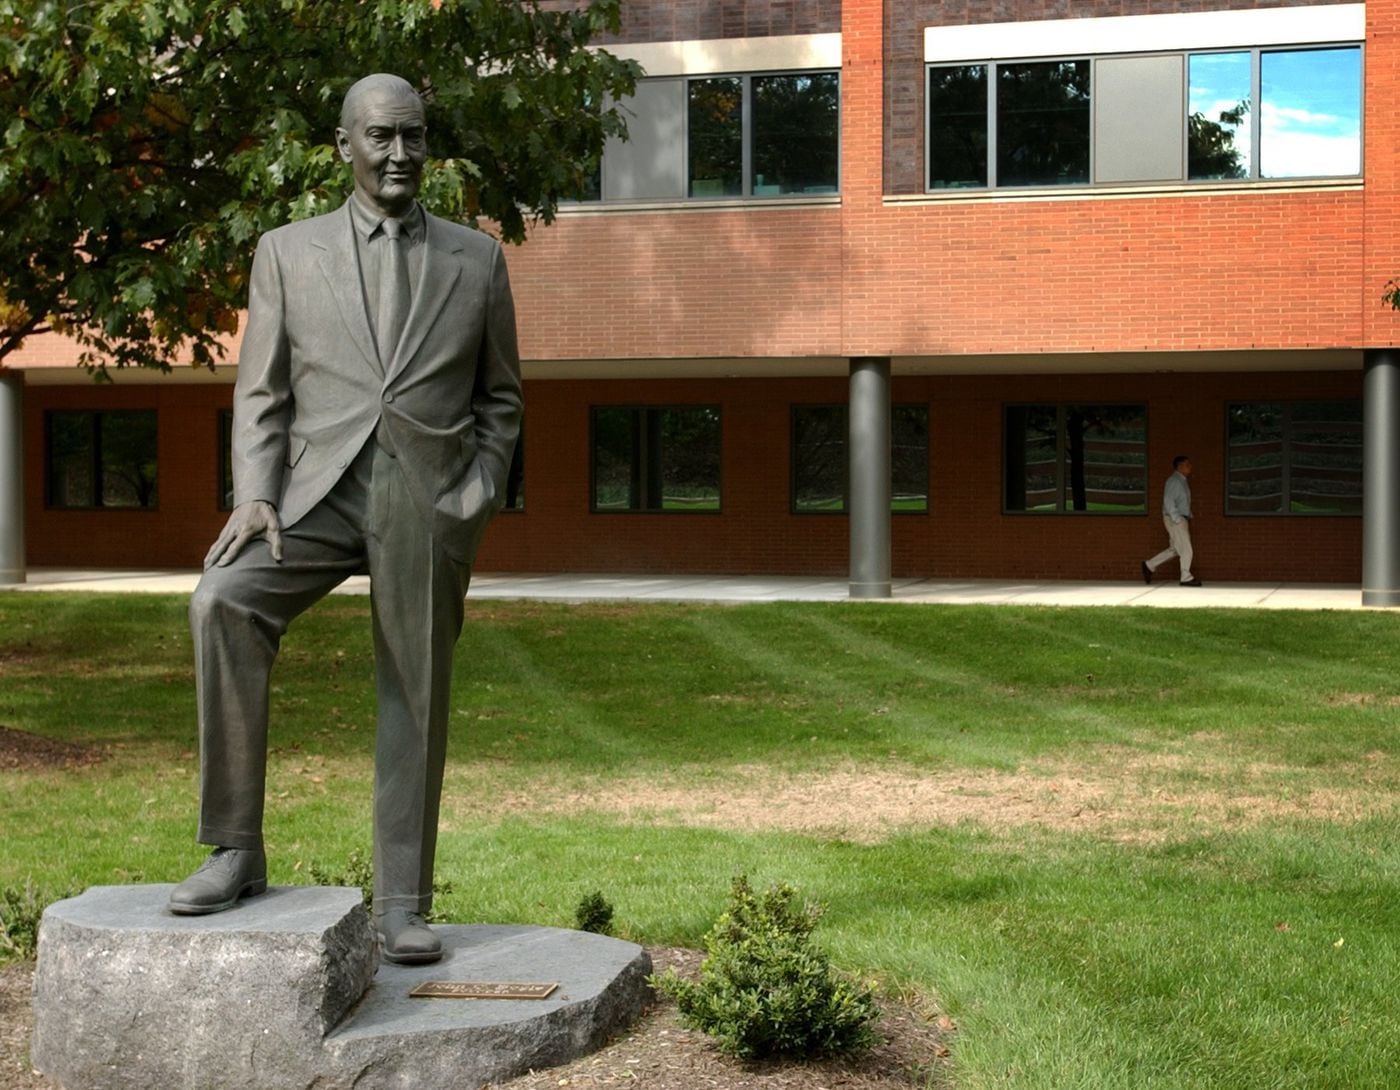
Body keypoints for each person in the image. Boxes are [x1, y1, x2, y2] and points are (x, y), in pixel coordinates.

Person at [167, 73, 523, 966]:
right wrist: (254, 494)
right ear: (345, 146)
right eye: (380, 138)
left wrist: (475, 492)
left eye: (412, 138)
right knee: (222, 603)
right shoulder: (287, 252)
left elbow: (501, 399)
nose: (398, 154)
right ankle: (235, 848)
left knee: (416, 683)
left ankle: (402, 901)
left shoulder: (474, 259)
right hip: (311, 494)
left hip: (425, 496)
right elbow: (261, 393)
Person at [1142, 455, 1202, 587]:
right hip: (1175, 519)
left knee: (1175, 549)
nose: (1190, 467)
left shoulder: (1181, 480)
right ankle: (1186, 577)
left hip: (1177, 518)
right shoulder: (1174, 481)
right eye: (1187, 465)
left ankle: (1149, 565)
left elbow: (1180, 500)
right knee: (1187, 549)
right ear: (1180, 466)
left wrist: (1188, 514)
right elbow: (1168, 501)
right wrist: (1178, 519)